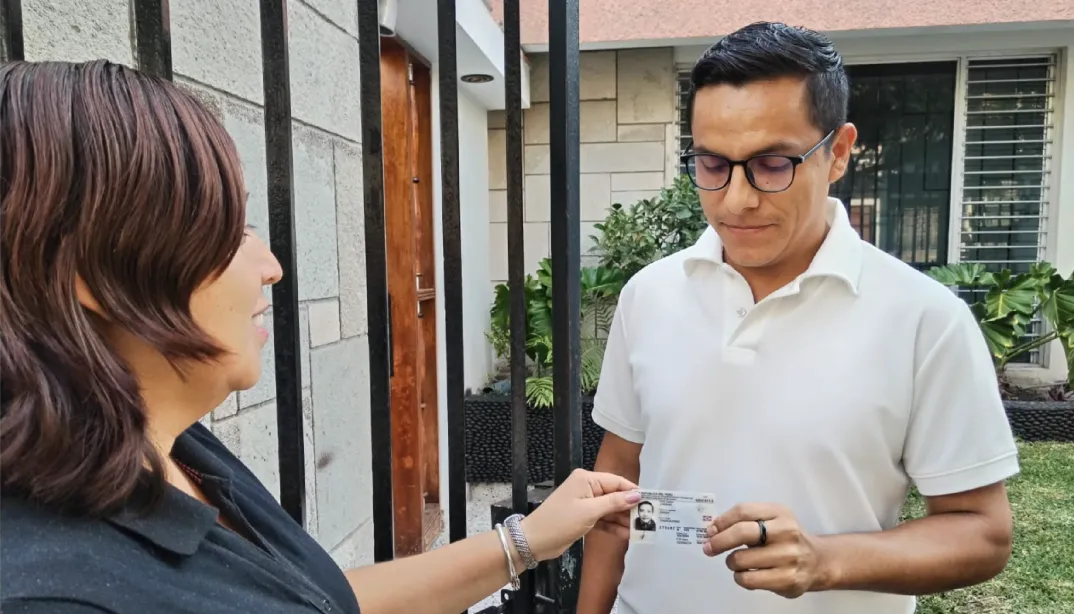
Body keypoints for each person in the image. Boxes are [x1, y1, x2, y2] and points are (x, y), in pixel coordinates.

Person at [0, 60, 641, 614]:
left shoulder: (166, 448)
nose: (270, 265)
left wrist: (526, 541)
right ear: (91, 270)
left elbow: (315, 599)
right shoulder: (49, 593)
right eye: (231, 228)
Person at [578, 22, 1019, 614]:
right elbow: (616, 491)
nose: (737, 199)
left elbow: (982, 533)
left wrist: (824, 560)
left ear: (838, 152)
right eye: (712, 163)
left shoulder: (925, 320)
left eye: (772, 163)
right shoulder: (649, 295)